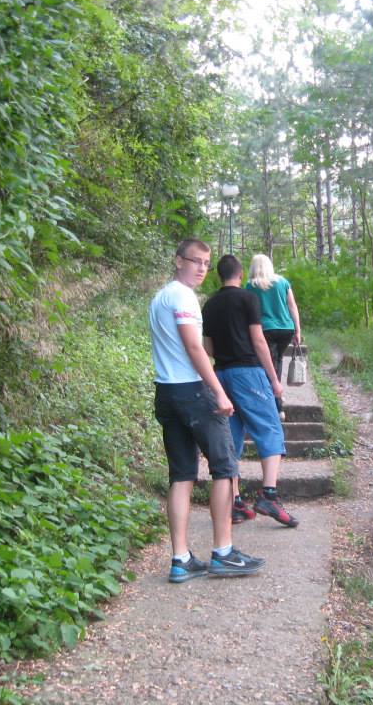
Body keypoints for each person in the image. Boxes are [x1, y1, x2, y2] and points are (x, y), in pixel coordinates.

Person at [149, 239, 265, 581]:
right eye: (194, 261)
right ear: (177, 260)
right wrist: (219, 392)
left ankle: (181, 559)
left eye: (206, 262)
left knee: (182, 475)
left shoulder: (160, 297)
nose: (201, 268)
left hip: (166, 392)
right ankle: (223, 552)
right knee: (225, 469)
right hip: (192, 392)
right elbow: (194, 347)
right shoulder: (182, 296)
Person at [202, 254, 299, 528]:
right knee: (270, 429)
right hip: (249, 373)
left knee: (231, 438)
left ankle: (235, 503)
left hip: (220, 374)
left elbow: (207, 347)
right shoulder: (247, 298)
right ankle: (269, 495)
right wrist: (273, 380)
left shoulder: (209, 305)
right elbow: (258, 340)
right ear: (240, 273)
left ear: (218, 275)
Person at [244, 254, 302, 416]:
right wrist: (298, 330)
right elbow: (292, 307)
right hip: (285, 328)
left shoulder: (250, 286)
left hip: (264, 330)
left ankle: (276, 406)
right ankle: (277, 400)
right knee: (277, 361)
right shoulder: (283, 282)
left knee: (268, 365)